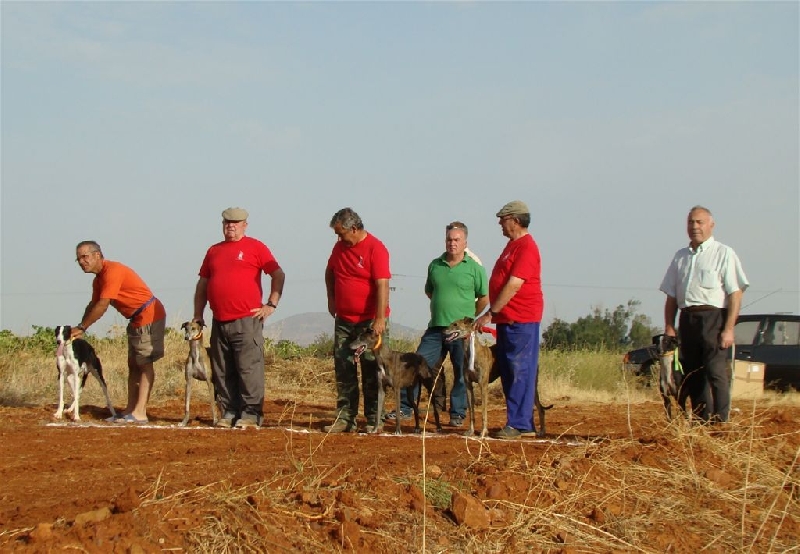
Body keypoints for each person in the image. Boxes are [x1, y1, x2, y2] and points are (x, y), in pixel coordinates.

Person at [386, 221, 489, 427]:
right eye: (449, 240)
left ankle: (458, 413)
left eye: (457, 240)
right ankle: (406, 408)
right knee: (417, 363)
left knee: (462, 370)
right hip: (436, 328)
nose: (452, 244)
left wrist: (468, 321)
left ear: (465, 242)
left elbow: (484, 298)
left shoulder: (475, 269)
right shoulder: (435, 265)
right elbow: (430, 291)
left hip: (462, 333)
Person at [193, 207, 285, 429]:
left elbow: (277, 273)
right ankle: (228, 411)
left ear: (245, 225)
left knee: (248, 368)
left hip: (246, 320)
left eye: (235, 222)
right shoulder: (214, 251)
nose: (230, 226)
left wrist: (271, 304)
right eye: (226, 222)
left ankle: (251, 414)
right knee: (223, 369)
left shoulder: (255, 247)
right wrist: (198, 314)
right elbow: (203, 284)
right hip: (219, 320)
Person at [660, 205, 748, 423]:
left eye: (699, 222)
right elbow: (671, 296)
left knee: (715, 371)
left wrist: (728, 329)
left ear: (711, 225)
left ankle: (721, 422)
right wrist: (670, 327)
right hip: (688, 319)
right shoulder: (681, 257)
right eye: (691, 222)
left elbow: (735, 293)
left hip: (714, 318)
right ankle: (702, 421)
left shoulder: (723, 253)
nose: (694, 227)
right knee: (693, 373)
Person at [72, 240, 166, 424]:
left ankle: (140, 412)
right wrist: (80, 326)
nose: (82, 262)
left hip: (149, 315)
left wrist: (83, 327)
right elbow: (93, 304)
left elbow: (103, 304)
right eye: (78, 259)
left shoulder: (112, 271)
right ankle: (130, 409)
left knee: (145, 363)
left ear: (97, 255)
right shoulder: (98, 279)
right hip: (135, 319)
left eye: (85, 257)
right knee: (133, 364)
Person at [474, 201, 544, 439]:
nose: (500, 223)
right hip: (508, 319)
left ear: (515, 220)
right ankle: (519, 422)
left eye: (503, 219)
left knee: (519, 369)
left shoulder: (526, 248)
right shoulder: (512, 246)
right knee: (509, 370)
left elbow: (514, 284)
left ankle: (520, 424)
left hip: (521, 319)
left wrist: (491, 312)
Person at [324, 207, 391, 433]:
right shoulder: (339, 248)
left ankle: (374, 418)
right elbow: (329, 272)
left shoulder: (376, 248)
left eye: (341, 233)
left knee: (373, 369)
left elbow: (382, 283)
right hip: (344, 320)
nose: (338, 237)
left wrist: (379, 318)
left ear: (353, 229)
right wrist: (331, 299)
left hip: (369, 323)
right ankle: (345, 418)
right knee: (344, 368)